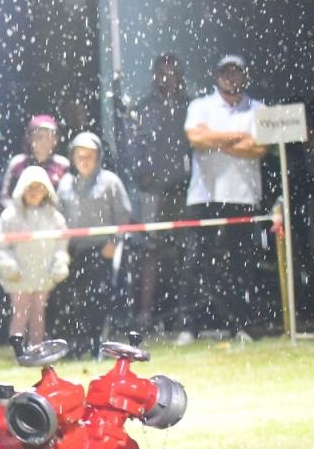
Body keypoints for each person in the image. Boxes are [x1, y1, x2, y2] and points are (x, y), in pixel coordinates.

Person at [182, 54, 267, 341]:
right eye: (226, 72)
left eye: (237, 72)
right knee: (197, 264)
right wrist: (236, 137)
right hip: (203, 196)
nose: (231, 77)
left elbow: (258, 149)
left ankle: (239, 325)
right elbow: (196, 139)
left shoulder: (258, 109)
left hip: (242, 196)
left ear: (244, 75)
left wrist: (215, 138)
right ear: (216, 76)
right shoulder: (199, 105)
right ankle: (191, 326)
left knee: (240, 265)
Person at [124, 53, 192, 333]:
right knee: (150, 252)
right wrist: (142, 173)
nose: (167, 77)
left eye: (172, 71)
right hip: (152, 189)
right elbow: (132, 145)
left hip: (184, 187)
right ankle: (146, 315)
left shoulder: (190, 106)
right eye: (162, 72)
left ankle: (184, 316)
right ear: (155, 75)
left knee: (184, 252)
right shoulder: (145, 107)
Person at [56, 132, 134, 356]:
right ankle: (76, 347)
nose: (84, 160)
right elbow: (59, 217)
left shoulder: (110, 181)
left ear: (98, 156)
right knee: (73, 301)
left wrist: (114, 242)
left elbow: (123, 215)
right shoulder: (65, 184)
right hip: (73, 251)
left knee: (98, 301)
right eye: (80, 156)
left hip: (101, 250)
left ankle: (97, 345)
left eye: (89, 155)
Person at [0, 165, 70, 346]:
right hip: (19, 275)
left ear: (46, 191)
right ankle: (17, 349)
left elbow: (61, 245)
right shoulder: (10, 216)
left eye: (39, 188)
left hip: (43, 274)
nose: (34, 192)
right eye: (30, 187)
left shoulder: (54, 217)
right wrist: (8, 265)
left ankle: (37, 348)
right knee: (20, 312)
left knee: (38, 313)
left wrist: (59, 263)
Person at [0, 114, 72, 203]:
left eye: (48, 137)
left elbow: (68, 197)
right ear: (30, 138)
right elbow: (5, 197)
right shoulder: (18, 163)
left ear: (55, 140)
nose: (43, 141)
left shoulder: (63, 165)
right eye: (39, 136)